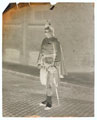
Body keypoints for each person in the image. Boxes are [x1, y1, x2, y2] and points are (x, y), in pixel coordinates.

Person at [37, 21, 67, 110]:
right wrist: (39, 61)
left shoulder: (55, 40)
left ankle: (49, 103)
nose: (46, 33)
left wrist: (55, 65)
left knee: (50, 83)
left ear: (51, 31)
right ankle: (47, 100)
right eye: (45, 32)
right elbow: (41, 51)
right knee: (45, 82)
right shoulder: (44, 40)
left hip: (51, 64)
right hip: (44, 64)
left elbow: (58, 54)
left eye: (47, 31)